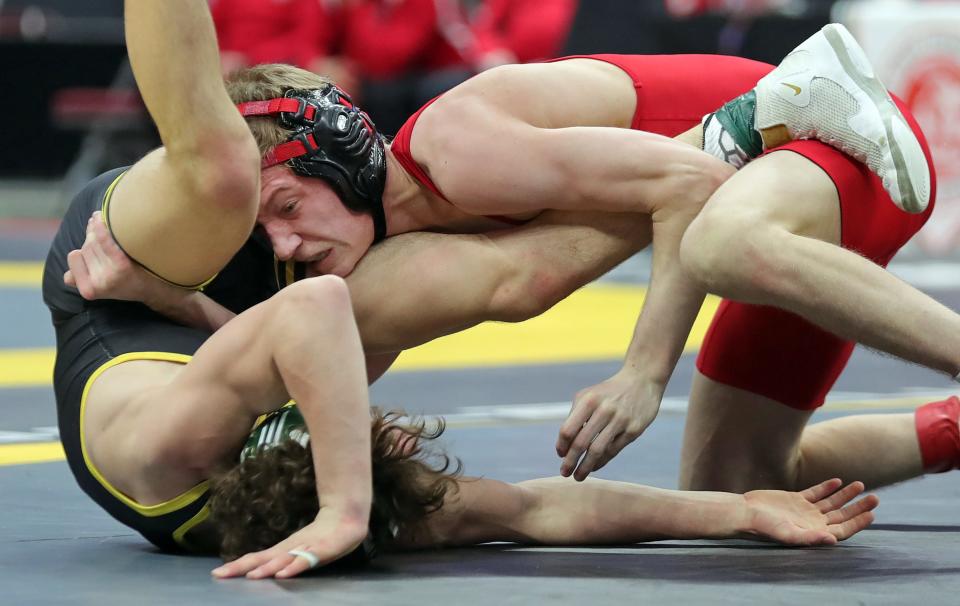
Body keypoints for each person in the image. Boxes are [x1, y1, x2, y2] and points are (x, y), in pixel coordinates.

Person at [66, 186, 878, 582]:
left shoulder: (173, 446)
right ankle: (683, 178)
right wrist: (739, 511)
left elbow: (317, 304)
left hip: (113, 291)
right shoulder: (393, 514)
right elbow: (541, 509)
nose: (403, 432)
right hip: (237, 381)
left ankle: (676, 181)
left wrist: (169, 299)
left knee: (217, 173)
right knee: (484, 289)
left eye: (374, 436)